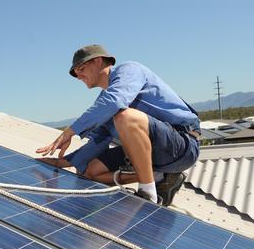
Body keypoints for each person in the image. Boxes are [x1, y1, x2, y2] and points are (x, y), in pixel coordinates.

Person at [36, 45, 200, 206]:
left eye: (81, 69)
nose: (78, 76)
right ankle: (160, 177)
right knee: (88, 171)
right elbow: (97, 142)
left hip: (182, 145)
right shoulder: (103, 101)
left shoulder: (130, 70)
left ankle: (148, 195)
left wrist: (69, 132)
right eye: (75, 74)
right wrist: (63, 162)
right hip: (148, 154)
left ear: (98, 61)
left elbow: (115, 101)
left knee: (125, 116)